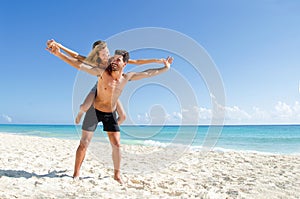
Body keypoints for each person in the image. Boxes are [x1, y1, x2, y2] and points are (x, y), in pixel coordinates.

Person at [47, 41, 173, 184]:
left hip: (110, 114)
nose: (114, 61)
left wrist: (165, 68)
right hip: (94, 111)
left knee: (117, 145)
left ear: (124, 64)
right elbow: (79, 64)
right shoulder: (101, 72)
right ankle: (76, 173)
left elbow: (149, 73)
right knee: (84, 143)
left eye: (118, 60)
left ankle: (117, 175)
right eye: (113, 58)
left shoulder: (127, 77)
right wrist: (58, 54)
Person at [47, 39, 165, 124]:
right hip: (99, 86)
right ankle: (80, 114)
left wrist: (157, 60)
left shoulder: (112, 60)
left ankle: (110, 128)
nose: (107, 56)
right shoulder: (95, 63)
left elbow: (137, 61)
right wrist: (59, 46)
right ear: (97, 54)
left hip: (112, 87)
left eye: (107, 53)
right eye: (104, 54)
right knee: (84, 107)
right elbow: (76, 56)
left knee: (123, 117)